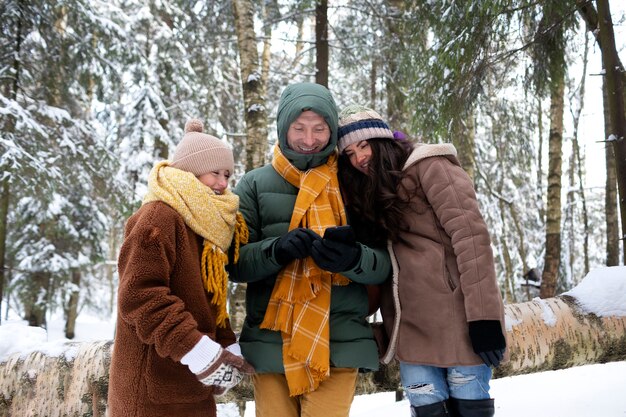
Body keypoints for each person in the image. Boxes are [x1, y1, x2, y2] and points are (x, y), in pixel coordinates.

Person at [229, 83, 391, 417]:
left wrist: (353, 258)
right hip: (272, 342)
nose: (308, 139)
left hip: (339, 341)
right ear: (283, 127)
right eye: (299, 128)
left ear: (331, 129)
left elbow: (386, 266)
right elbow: (235, 264)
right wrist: (277, 250)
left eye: (319, 129)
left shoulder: (354, 182)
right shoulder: (254, 185)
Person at [336, 105, 507, 417]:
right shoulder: (367, 192)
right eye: (349, 153)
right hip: (411, 331)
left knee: (471, 410)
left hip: (458, 323)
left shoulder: (431, 165)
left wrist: (485, 319)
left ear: (383, 142)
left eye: (364, 146)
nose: (359, 158)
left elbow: (471, 239)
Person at [108, 119, 254, 417]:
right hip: (149, 391)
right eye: (215, 173)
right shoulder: (158, 217)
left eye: (227, 174)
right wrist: (198, 350)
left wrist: (226, 348)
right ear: (190, 172)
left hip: (191, 386)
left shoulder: (204, 225)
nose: (223, 183)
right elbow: (140, 298)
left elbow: (209, 299)